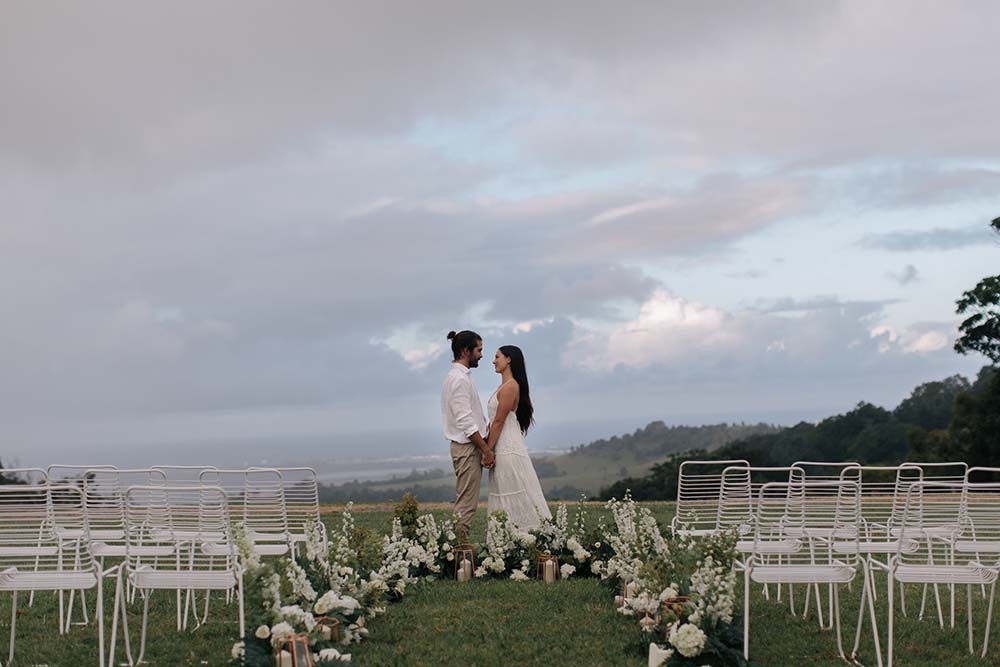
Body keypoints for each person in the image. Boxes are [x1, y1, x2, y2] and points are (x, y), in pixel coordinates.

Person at [485, 345, 551, 531]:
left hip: (507, 446)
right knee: (503, 492)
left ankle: (526, 536)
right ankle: (508, 539)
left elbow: (498, 421)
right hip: (502, 444)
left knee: (513, 491)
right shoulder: (504, 386)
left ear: (509, 360)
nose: (493, 361)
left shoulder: (511, 386)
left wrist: (487, 450)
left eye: (497, 356)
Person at [440, 330, 492, 538]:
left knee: (466, 501)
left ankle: (455, 548)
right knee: (467, 504)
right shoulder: (459, 379)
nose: (481, 355)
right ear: (465, 350)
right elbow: (465, 421)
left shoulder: (458, 377)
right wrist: (485, 449)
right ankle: (457, 550)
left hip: (467, 447)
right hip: (467, 448)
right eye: (478, 350)